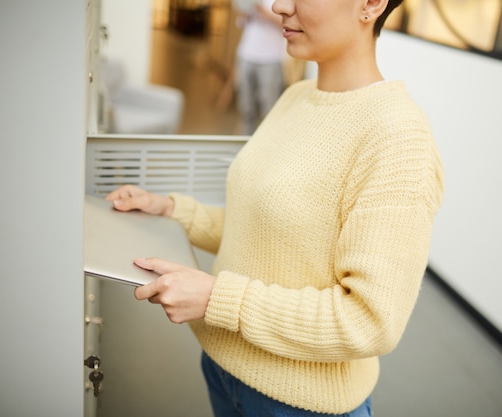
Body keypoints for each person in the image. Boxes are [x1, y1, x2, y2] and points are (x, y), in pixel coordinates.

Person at [106, 0, 444, 415]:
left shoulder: (397, 137)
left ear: (371, 4)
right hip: (223, 369)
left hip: (301, 404)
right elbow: (264, 226)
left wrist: (218, 298)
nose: (278, 5)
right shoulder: (298, 96)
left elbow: (369, 321)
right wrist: (172, 210)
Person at [234, 0, 286, 134]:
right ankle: (245, 141)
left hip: (270, 58)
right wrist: (247, 12)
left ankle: (265, 145)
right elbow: (240, 23)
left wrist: (263, 11)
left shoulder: (283, 3)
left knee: (268, 106)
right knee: (245, 106)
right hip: (246, 54)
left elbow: (286, 24)